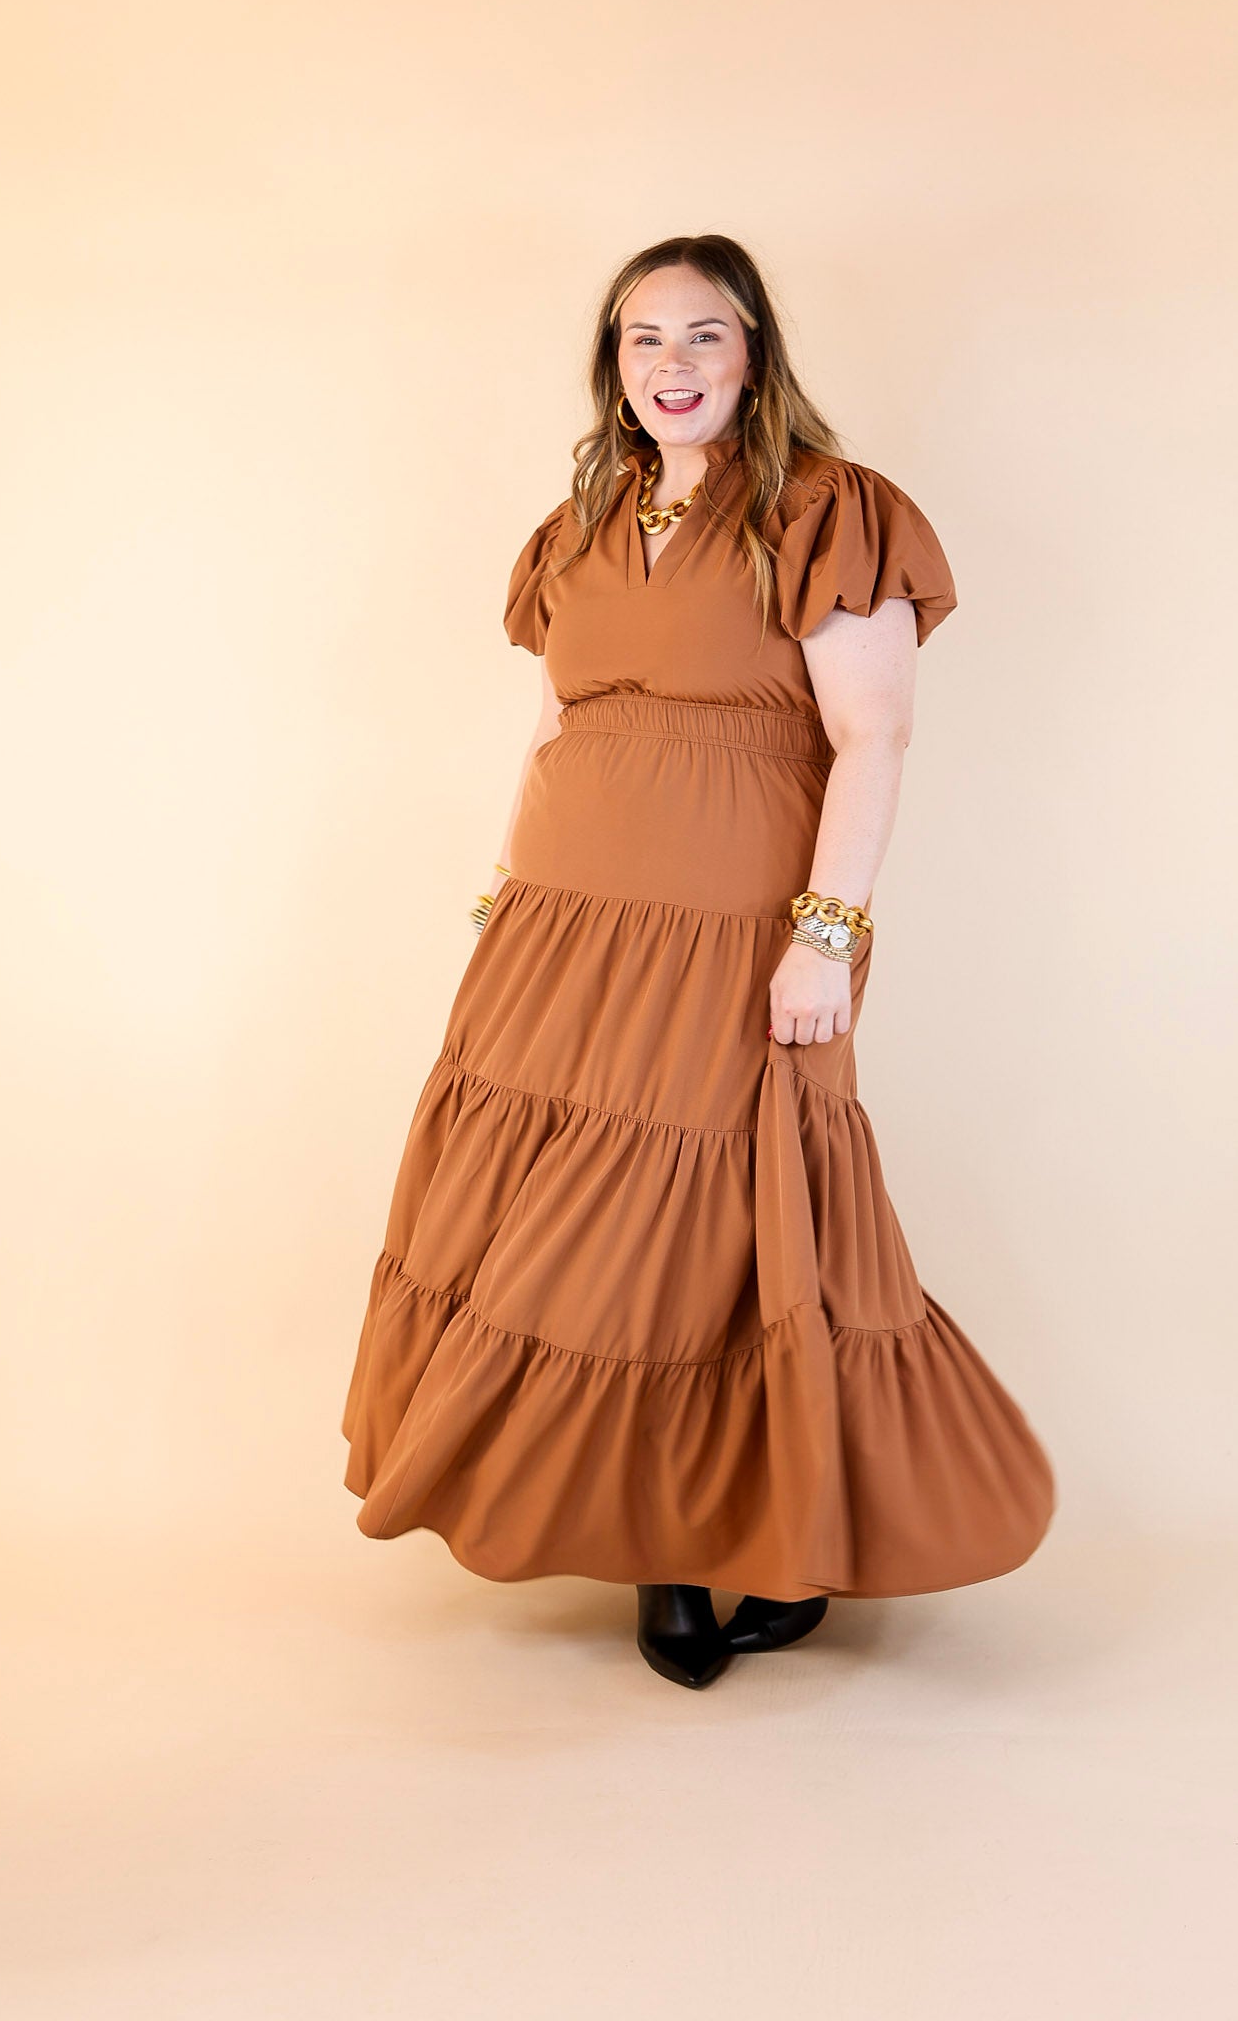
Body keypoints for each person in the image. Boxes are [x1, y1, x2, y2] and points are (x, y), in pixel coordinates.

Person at [341, 233, 1055, 1689]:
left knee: (723, 1223)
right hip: (559, 923)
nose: (669, 366)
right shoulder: (578, 525)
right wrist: (499, 898)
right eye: (640, 340)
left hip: (730, 928)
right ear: (613, 367)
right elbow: (554, 727)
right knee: (561, 1229)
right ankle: (662, 1552)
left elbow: (872, 734)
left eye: (702, 337)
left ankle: (764, 1536)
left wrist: (826, 934)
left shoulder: (825, 512)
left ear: (756, 353)